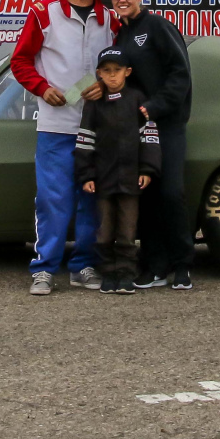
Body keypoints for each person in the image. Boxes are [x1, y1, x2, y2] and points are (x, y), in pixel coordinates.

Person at [8, 0, 116, 296]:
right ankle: (43, 268)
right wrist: (42, 88)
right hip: (55, 124)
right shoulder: (44, 13)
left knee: (91, 199)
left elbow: (119, 66)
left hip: (96, 126)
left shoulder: (109, 19)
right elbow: (20, 61)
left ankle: (83, 265)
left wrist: (105, 85)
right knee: (52, 200)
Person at [104, 0, 197, 290]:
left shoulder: (157, 26)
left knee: (171, 192)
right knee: (147, 196)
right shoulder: (121, 34)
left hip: (166, 125)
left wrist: (154, 107)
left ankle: (182, 264)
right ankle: (156, 265)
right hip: (137, 131)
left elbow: (180, 74)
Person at [73, 47, 161, 294]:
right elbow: (85, 141)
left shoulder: (138, 99)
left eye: (117, 70)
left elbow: (150, 137)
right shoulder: (93, 104)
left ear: (127, 72)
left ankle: (125, 274)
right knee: (104, 232)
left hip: (131, 181)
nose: (112, 75)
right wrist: (86, 175)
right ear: (99, 73)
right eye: (107, 71)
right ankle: (108, 274)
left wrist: (147, 169)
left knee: (127, 231)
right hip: (103, 181)